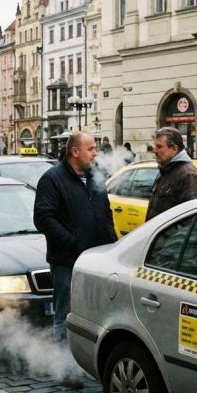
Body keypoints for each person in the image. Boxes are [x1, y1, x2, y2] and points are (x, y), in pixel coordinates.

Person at [34, 131, 116, 346]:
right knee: (65, 313)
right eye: (90, 149)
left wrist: (112, 244)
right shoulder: (53, 179)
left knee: (94, 312)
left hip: (96, 260)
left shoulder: (95, 176)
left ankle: (87, 356)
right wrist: (73, 242)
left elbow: (106, 213)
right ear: (75, 151)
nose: (95, 153)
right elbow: (43, 218)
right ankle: (64, 361)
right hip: (66, 261)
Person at [146, 127, 197, 221]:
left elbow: (191, 219)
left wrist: (167, 231)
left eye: (159, 147)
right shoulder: (165, 170)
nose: (155, 151)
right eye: (155, 146)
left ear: (174, 149)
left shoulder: (187, 174)